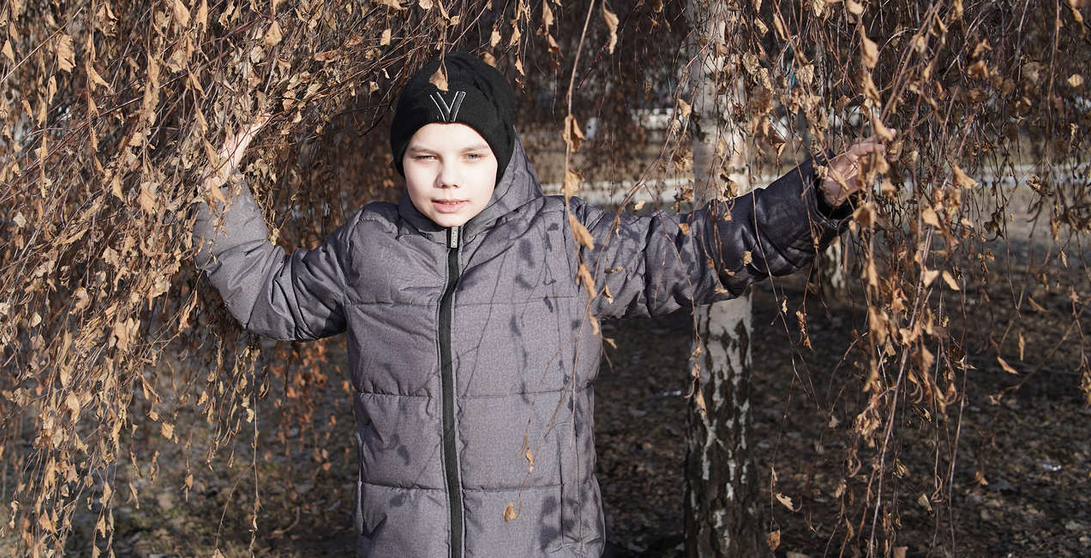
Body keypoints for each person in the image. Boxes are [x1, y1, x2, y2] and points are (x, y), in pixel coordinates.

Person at [194, 51, 893, 558]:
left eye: (470, 155)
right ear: (400, 160)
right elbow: (270, 299)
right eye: (424, 156)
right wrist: (218, 196)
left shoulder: (563, 240)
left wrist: (813, 201)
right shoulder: (369, 247)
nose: (446, 179)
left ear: (501, 153)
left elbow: (691, 254)